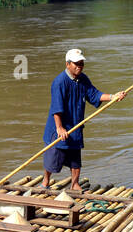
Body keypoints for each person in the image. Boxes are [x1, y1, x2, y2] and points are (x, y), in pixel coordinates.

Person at [42, 48, 125, 192]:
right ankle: (45, 182)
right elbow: (57, 107)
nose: (79, 66)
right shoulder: (59, 82)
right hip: (59, 126)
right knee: (52, 158)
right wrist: (59, 128)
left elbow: (95, 95)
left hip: (76, 125)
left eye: (81, 63)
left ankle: (74, 183)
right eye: (76, 63)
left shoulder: (83, 80)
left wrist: (113, 96)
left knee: (75, 160)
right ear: (68, 64)